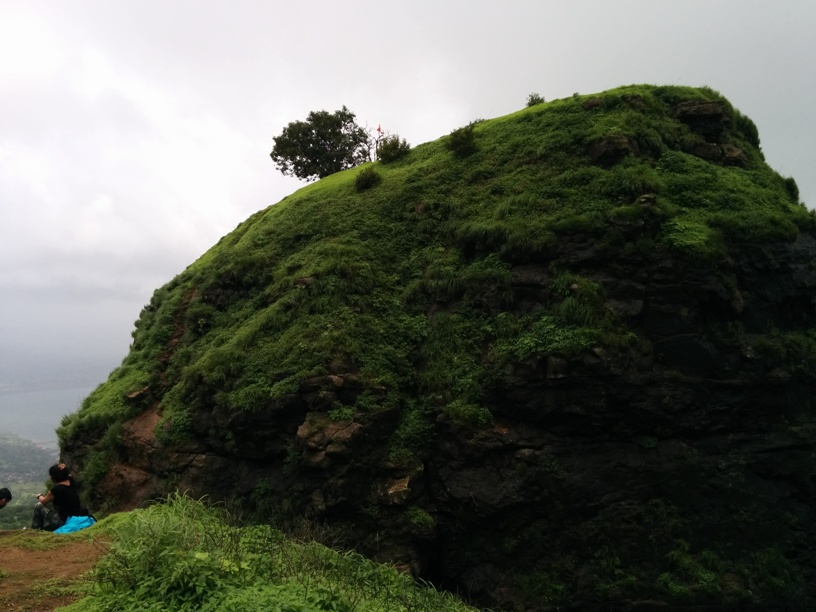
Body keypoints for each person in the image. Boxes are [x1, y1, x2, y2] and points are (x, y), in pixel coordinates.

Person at [32, 463, 95, 533]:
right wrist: (65, 467)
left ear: (53, 477)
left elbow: (43, 501)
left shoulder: (56, 490)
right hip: (75, 517)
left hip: (62, 521)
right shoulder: (71, 481)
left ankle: (35, 530)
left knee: (38, 506)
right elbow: (68, 474)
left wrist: (39, 496)